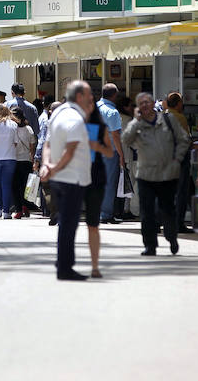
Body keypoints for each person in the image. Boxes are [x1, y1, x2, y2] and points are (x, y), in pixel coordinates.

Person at [121, 92, 190, 256]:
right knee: (147, 212)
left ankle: (171, 237)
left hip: (167, 174)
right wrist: (135, 121)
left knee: (167, 210)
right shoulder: (136, 124)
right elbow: (126, 139)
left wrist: (177, 159)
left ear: (153, 104)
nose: (145, 106)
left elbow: (183, 140)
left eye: (147, 102)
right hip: (146, 174)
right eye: (141, 103)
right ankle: (150, 245)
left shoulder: (168, 119)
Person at [39, 80, 94, 281]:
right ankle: (65, 267)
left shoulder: (58, 114)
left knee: (65, 223)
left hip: (60, 179)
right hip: (72, 178)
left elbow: (48, 143)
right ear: (79, 97)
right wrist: (55, 166)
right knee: (69, 225)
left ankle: (63, 262)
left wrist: (47, 165)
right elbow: (70, 150)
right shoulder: (74, 118)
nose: (91, 99)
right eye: (88, 95)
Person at [85, 103, 115, 278]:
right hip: (76, 176)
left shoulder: (101, 128)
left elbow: (110, 153)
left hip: (96, 178)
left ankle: (95, 266)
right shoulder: (73, 126)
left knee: (93, 225)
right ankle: (67, 261)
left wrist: (98, 147)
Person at [97, 84, 126, 225]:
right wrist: (121, 155)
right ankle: (106, 213)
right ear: (114, 95)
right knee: (109, 183)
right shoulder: (112, 112)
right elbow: (115, 135)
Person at [166, 92, 195, 233]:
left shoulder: (161, 117)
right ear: (178, 104)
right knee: (181, 191)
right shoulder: (180, 118)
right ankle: (178, 223)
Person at [10, 105, 36, 219]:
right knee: (25, 186)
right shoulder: (29, 129)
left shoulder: (12, 128)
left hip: (14, 160)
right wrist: (33, 158)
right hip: (26, 161)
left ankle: (19, 209)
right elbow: (32, 146)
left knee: (15, 186)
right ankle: (25, 206)